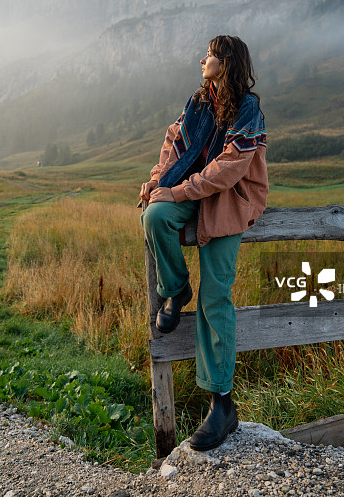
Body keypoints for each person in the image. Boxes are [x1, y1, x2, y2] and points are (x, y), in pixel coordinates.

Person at [140, 35, 268, 451]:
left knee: (216, 298)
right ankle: (176, 291)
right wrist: (160, 184)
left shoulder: (248, 109)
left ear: (226, 61)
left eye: (210, 55)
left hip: (228, 199)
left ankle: (222, 405)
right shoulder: (198, 103)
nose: (202, 60)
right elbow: (174, 142)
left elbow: (228, 170)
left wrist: (176, 192)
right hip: (192, 191)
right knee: (155, 216)